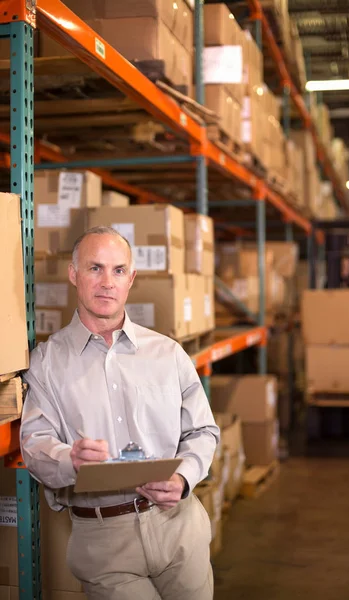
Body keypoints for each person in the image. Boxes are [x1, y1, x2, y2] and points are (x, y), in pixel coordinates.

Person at [20, 226, 220, 600]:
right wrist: (70, 458)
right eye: (95, 268)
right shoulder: (47, 363)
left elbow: (203, 431)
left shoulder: (168, 354)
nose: (106, 282)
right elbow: (34, 447)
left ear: (131, 279)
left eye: (117, 270)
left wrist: (184, 478)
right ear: (73, 274)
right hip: (104, 539)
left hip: (177, 524)